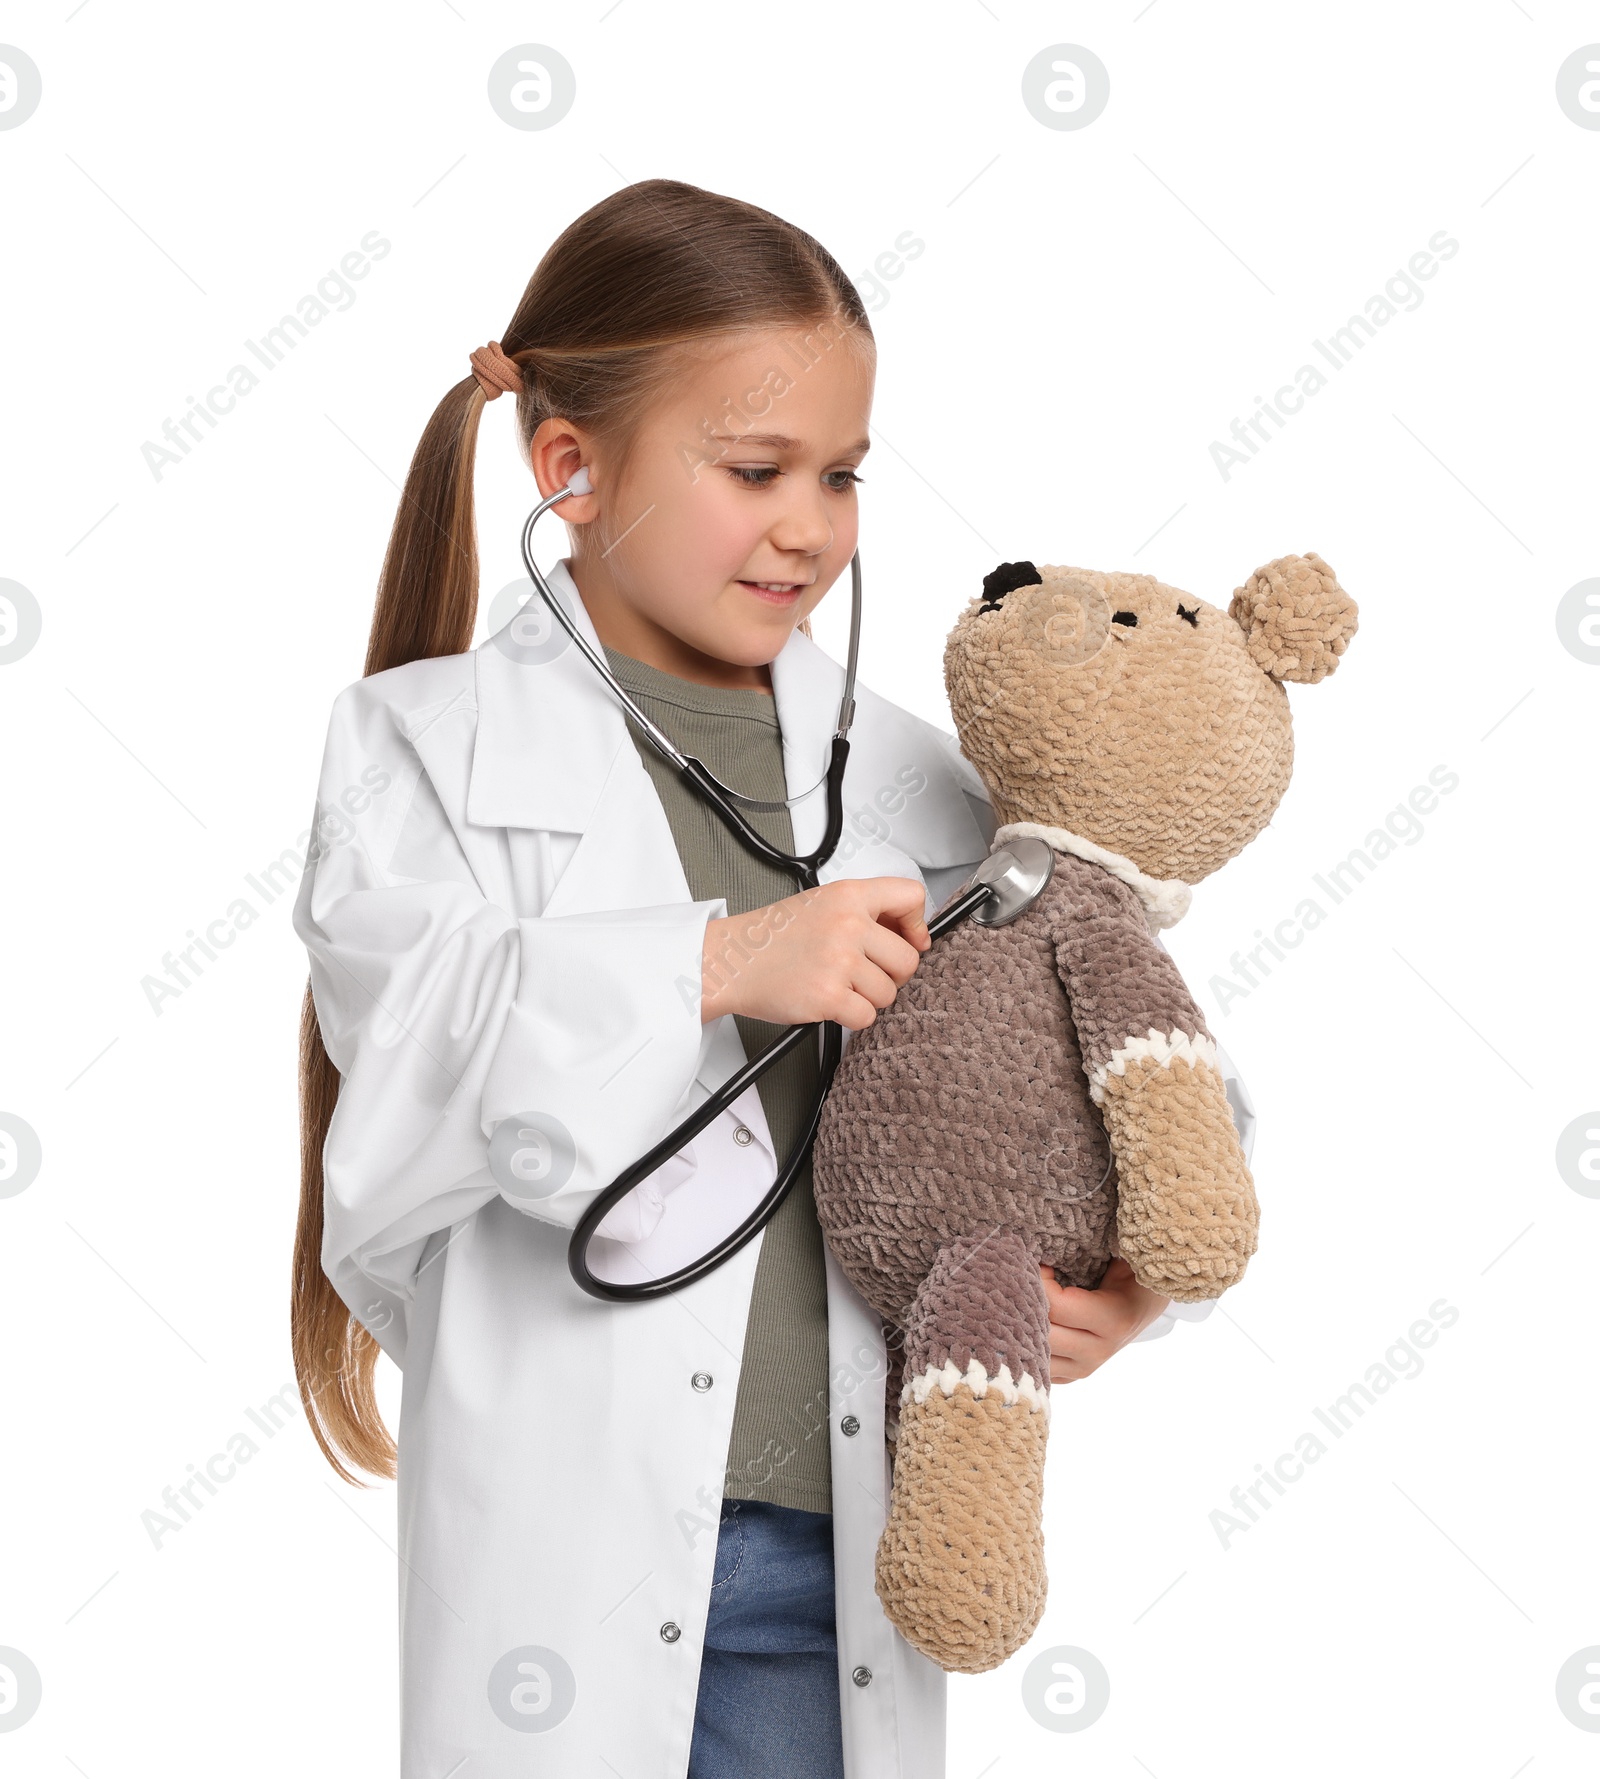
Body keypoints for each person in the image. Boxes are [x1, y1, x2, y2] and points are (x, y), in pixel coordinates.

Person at [290, 178, 1176, 1779]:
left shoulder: (923, 780)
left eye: (839, 474)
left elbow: (1102, 1057)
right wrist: (713, 962)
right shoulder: (420, 746)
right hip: (575, 1533)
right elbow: (408, 1054)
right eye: (755, 469)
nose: (811, 525)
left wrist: (1131, 1285)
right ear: (569, 467)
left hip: (839, 1553)